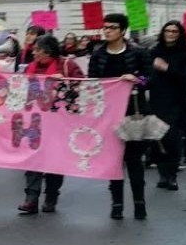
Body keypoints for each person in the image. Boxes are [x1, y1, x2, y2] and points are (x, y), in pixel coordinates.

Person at [87, 13, 151, 219]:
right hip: (108, 115)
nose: (107, 31)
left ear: (123, 30)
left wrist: (137, 79)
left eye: (112, 27)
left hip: (133, 114)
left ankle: (139, 202)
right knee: (114, 161)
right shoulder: (98, 54)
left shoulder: (138, 53)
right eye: (105, 27)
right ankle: (117, 203)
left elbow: (150, 79)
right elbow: (92, 82)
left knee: (133, 160)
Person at [17, 35, 83, 215]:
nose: (34, 52)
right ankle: (31, 198)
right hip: (34, 122)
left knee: (55, 161)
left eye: (37, 49)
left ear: (48, 51)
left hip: (58, 125)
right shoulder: (30, 68)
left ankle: (51, 196)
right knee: (32, 159)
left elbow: (82, 87)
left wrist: (64, 82)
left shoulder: (67, 66)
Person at [147, 21, 186, 190]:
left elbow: (185, 76)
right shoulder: (154, 52)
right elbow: (147, 74)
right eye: (168, 30)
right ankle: (162, 174)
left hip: (176, 100)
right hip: (156, 99)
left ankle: (172, 175)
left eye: (175, 31)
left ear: (180, 34)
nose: (171, 34)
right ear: (163, 33)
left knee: (173, 138)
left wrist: (166, 68)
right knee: (158, 137)